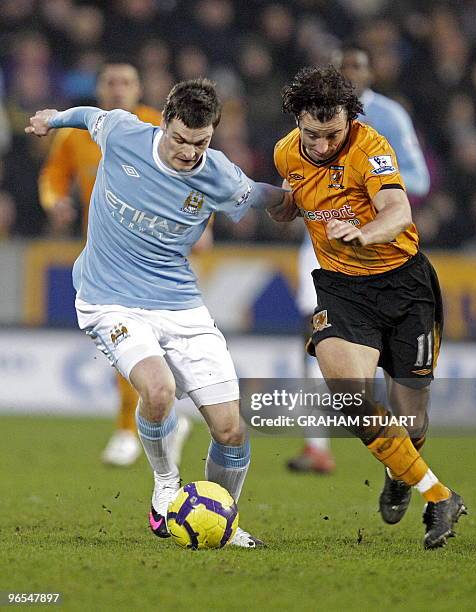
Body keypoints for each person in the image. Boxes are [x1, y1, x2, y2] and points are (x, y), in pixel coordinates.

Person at [26, 78, 294, 547]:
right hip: (107, 299)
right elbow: (89, 116)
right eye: (181, 140)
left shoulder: (219, 175)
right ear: (164, 123)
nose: (190, 153)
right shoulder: (125, 133)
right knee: (158, 388)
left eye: (201, 143)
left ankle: (223, 519)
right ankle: (166, 485)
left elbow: (258, 195)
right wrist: (53, 119)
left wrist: (295, 199)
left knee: (231, 431)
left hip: (180, 306)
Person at [274, 65, 466, 549]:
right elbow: (291, 201)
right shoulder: (285, 153)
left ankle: (402, 471)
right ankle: (440, 495)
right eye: (311, 134)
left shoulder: (371, 148)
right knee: (349, 395)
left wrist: (365, 232)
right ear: (298, 120)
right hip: (342, 289)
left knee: (412, 422)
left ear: (350, 120)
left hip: (404, 288)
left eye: (331, 134)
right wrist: (280, 206)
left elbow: (398, 211)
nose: (320, 145)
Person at [39, 60, 194, 467]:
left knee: (145, 340)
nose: (118, 89)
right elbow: (53, 176)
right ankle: (134, 426)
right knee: (123, 338)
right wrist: (56, 202)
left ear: (139, 88)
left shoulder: (158, 127)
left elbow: (196, 175)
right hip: (107, 254)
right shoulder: (78, 133)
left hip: (157, 250)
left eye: (126, 82)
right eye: (110, 82)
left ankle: (148, 422)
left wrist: (201, 223)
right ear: (99, 89)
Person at [287, 45, 431, 475]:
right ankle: (317, 446)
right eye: (341, 68)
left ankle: (399, 458)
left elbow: (417, 180)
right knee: (312, 338)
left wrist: (376, 194)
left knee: (404, 391)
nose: (349, 74)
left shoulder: (386, 120)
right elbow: (291, 176)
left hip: (385, 252)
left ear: (370, 74)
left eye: (357, 67)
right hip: (324, 245)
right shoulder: (310, 124)